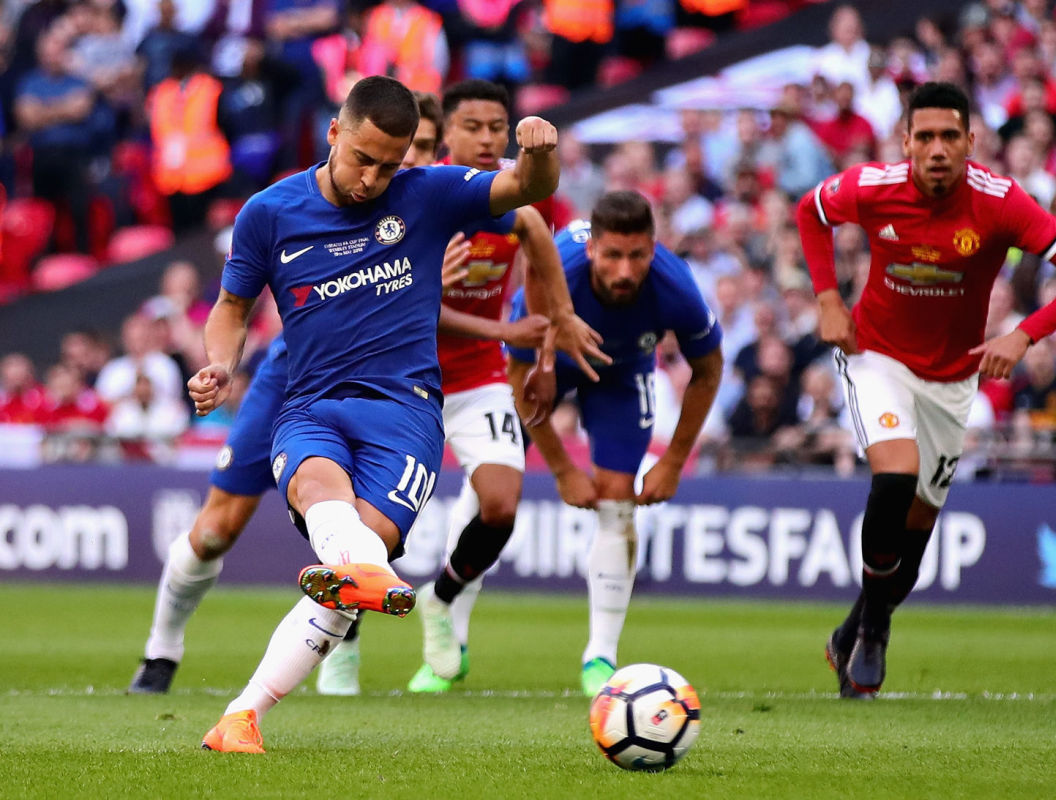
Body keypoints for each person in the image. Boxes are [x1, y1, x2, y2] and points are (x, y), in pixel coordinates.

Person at [188, 75, 561, 753]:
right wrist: (221, 363)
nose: (372, 179)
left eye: (389, 165)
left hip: (407, 416)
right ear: (334, 133)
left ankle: (241, 714)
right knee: (324, 498)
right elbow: (232, 307)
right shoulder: (269, 213)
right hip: (312, 405)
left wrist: (537, 152)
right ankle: (348, 587)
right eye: (363, 159)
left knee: (354, 568)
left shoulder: (428, 191)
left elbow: (526, 192)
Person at [795, 81, 1056, 699]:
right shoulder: (871, 187)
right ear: (905, 142)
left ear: (971, 142)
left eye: (949, 136)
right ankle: (877, 630)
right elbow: (811, 213)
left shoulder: (1000, 203)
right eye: (925, 137)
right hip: (876, 356)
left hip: (953, 376)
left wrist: (1024, 336)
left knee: (916, 534)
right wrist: (829, 299)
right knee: (894, 477)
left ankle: (857, 628)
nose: (937, 149)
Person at [318, 79, 607, 696]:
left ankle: (441, 598)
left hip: (477, 377)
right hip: (396, 376)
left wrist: (550, 345)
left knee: (501, 506)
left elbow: (540, 249)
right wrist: (496, 320)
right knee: (368, 526)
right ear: (444, 132)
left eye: (496, 127)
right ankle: (342, 641)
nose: (486, 138)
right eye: (472, 127)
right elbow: (401, 305)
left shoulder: (513, 197)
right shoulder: (418, 198)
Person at [506, 191, 724, 696]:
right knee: (492, 482)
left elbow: (709, 369)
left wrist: (672, 460)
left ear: (653, 249)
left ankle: (600, 656)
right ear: (591, 252)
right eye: (613, 256)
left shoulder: (675, 288)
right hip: (548, 362)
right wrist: (561, 468)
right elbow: (518, 371)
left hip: (623, 373)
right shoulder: (553, 273)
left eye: (637, 256)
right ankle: (450, 612)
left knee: (617, 499)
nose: (625, 271)